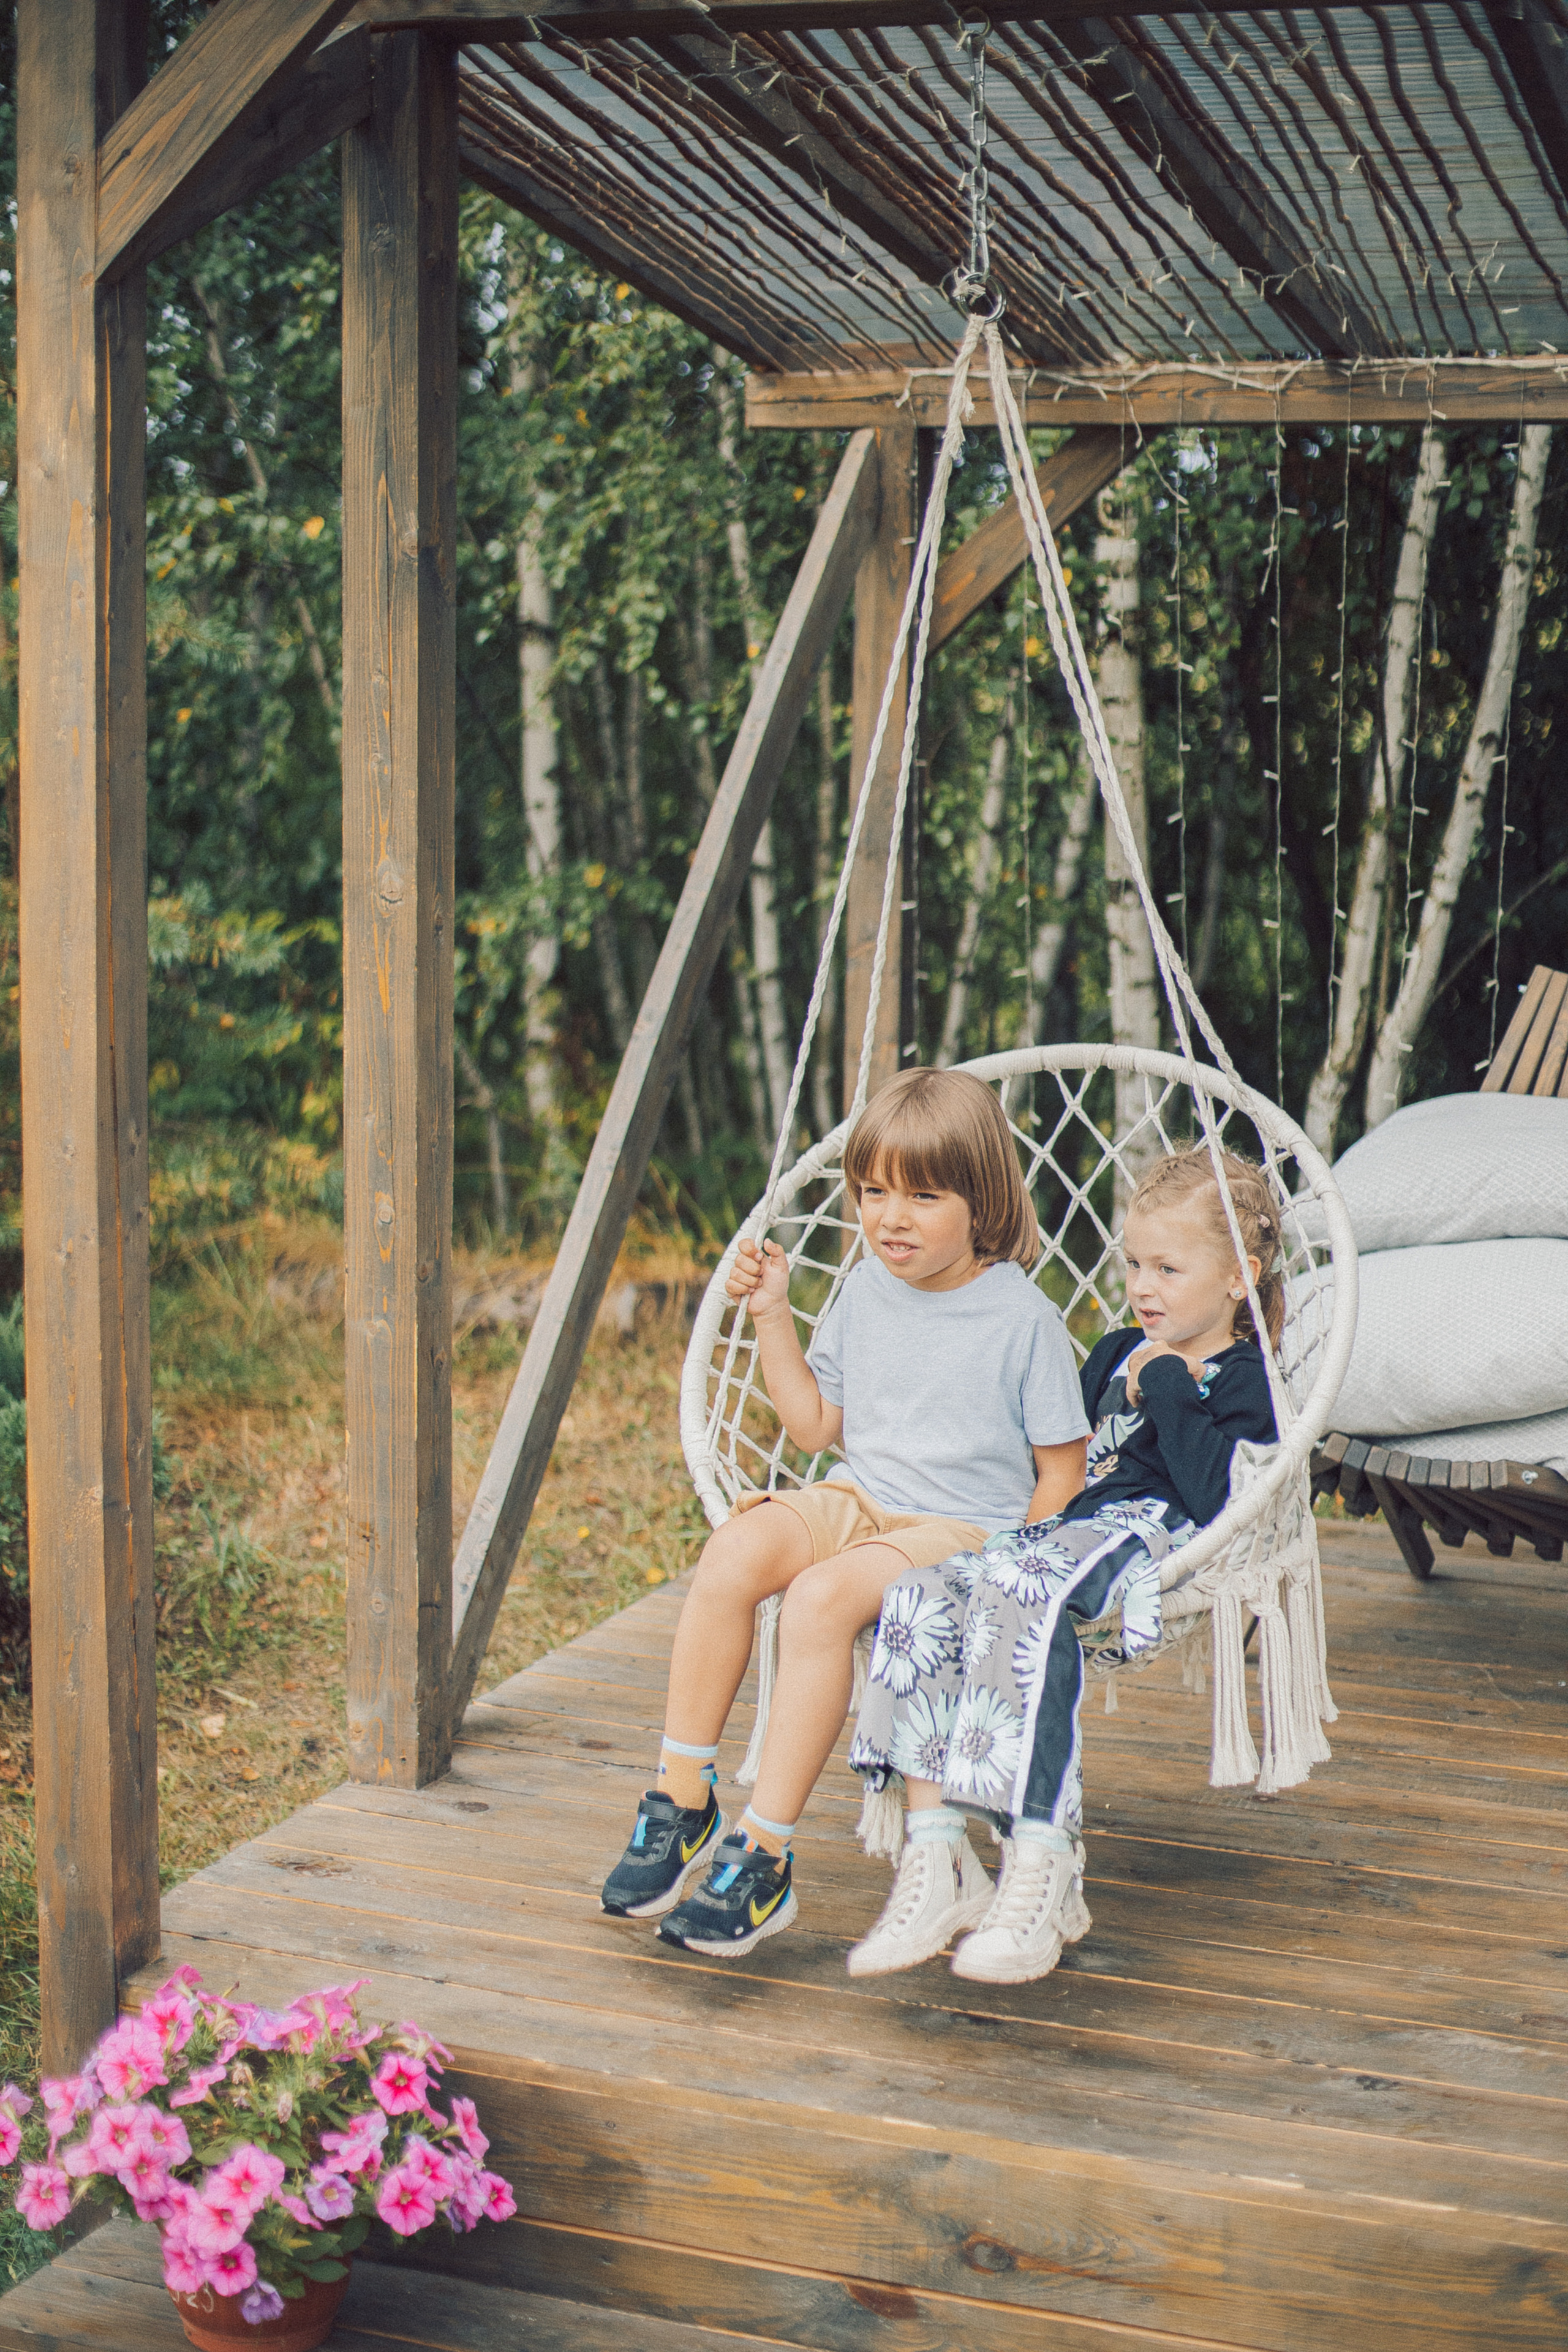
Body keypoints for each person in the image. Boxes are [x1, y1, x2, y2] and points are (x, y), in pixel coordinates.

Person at [600, 1066, 1090, 1958]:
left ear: (981, 1201)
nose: (889, 1218)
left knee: (822, 1600)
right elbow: (815, 1425)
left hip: (958, 1528)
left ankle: (765, 1852)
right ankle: (683, 1794)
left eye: (923, 1196)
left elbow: (1062, 1469)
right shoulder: (865, 1289)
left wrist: (1013, 1566)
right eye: (872, 1192)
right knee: (736, 1550)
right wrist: (773, 1315)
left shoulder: (1022, 1319)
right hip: (859, 1494)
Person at [845, 1144, 1281, 1985]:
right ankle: (941, 1860)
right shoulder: (1116, 1346)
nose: (1142, 1286)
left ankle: (1041, 1859)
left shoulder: (1241, 1373)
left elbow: (1215, 1493)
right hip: (1062, 1532)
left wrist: (1164, 1384)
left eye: (1168, 1267)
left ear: (1239, 1278)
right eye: (1133, 1264)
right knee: (922, 1591)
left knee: (1023, 1590)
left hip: (1151, 1534)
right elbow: (1064, 1456)